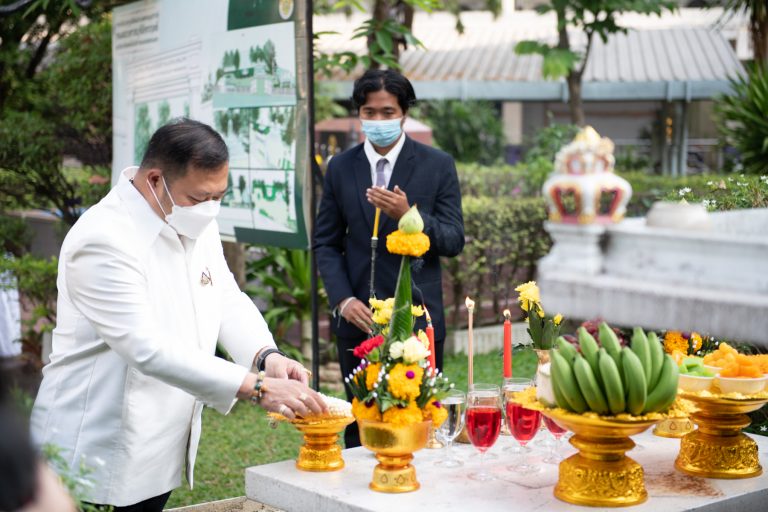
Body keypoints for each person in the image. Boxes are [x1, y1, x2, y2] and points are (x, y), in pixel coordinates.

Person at [30, 119, 326, 511]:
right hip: (97, 446)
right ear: (155, 179)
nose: (210, 209)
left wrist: (265, 357)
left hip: (159, 441)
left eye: (218, 196)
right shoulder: (103, 238)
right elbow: (145, 347)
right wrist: (257, 388)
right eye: (200, 197)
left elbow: (223, 294)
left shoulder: (187, 215)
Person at [314, 69, 465, 448]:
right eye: (369, 112)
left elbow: (453, 239)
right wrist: (342, 300)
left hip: (417, 320)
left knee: (417, 419)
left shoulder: (437, 164)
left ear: (404, 113)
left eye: (387, 112)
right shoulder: (340, 167)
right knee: (360, 423)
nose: (378, 121)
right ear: (358, 113)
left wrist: (408, 215)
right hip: (359, 321)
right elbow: (326, 242)